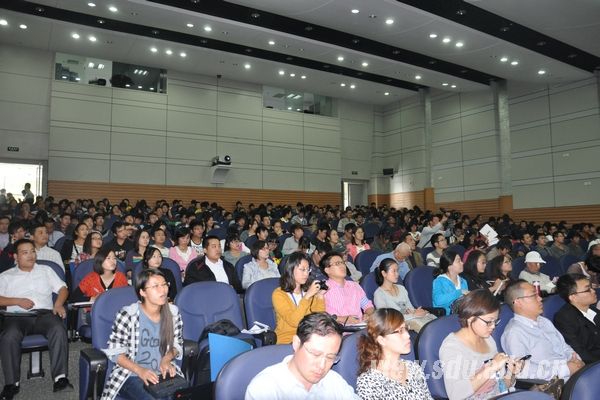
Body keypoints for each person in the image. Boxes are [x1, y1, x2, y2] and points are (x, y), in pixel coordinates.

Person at [0, 239, 73, 399]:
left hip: (44, 315)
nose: (31, 255)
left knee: (58, 328)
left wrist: (58, 304)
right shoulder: (6, 276)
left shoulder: (46, 270)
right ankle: (11, 383)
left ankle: (60, 378)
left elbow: (63, 288)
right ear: (16, 257)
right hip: (17, 317)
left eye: (33, 251)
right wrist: (17, 301)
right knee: (9, 336)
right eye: (25, 252)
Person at [101, 269, 184, 400]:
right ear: (142, 292)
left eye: (164, 284)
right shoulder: (128, 315)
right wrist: (140, 371)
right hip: (131, 374)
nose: (163, 290)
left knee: (185, 395)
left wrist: (166, 359)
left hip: (163, 372)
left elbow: (177, 345)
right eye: (155, 286)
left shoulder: (173, 313)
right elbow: (116, 353)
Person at [245, 312, 358, 399]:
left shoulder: (333, 380)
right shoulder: (265, 388)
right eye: (315, 354)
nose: (322, 366)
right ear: (296, 343)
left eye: (330, 357)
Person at [440, 290, 524, 400]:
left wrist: (511, 373)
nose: (493, 326)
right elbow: (455, 395)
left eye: (495, 321)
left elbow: (500, 387)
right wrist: (491, 368)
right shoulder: (452, 347)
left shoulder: (488, 339)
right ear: (470, 318)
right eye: (489, 322)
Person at [501, 280, 584, 381]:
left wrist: (576, 359)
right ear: (519, 302)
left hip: (574, 373)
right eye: (534, 295)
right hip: (555, 383)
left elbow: (564, 346)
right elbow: (522, 370)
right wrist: (565, 369)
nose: (540, 298)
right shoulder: (514, 333)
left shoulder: (544, 321)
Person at [356, 308, 433, 400]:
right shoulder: (369, 382)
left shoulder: (413, 368)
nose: (408, 335)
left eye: (406, 328)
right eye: (400, 331)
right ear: (381, 340)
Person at [272, 252, 326, 344]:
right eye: (302, 269)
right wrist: (307, 297)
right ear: (291, 269)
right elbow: (295, 321)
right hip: (287, 339)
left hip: (309, 337)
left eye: (308, 270)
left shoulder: (307, 291)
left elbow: (319, 318)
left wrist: (320, 296)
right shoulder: (279, 294)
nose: (306, 273)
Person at [373, 258, 435, 333]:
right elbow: (387, 318)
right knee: (426, 328)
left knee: (434, 319)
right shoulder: (379, 294)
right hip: (398, 324)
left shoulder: (401, 288)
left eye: (397, 271)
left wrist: (417, 311)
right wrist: (413, 315)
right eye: (394, 271)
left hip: (411, 318)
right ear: (384, 273)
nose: (397, 274)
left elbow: (409, 308)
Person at [554, 273, 600, 363]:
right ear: (573, 297)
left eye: (591, 287)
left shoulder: (593, 310)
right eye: (588, 289)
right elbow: (580, 352)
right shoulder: (564, 319)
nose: (593, 291)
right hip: (592, 365)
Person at [322, 251, 374, 325]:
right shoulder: (323, 290)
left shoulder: (354, 286)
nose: (342, 266)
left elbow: (368, 306)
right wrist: (343, 319)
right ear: (327, 270)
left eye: (343, 263)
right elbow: (320, 315)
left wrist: (367, 314)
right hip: (337, 329)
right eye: (337, 263)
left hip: (360, 327)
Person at [432, 250, 469, 315]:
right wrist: (459, 292)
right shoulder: (439, 281)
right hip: (447, 317)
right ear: (449, 265)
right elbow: (438, 301)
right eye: (458, 261)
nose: (462, 263)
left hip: (462, 314)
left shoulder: (463, 281)